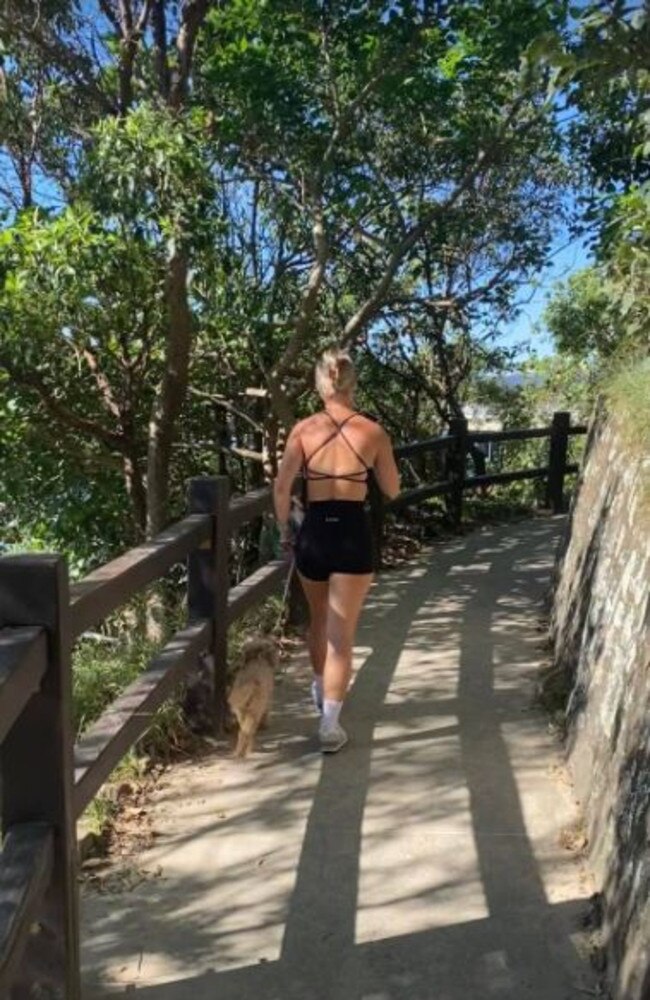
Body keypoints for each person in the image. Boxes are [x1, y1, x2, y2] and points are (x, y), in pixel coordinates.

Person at [273, 347, 400, 753]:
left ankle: (318, 688)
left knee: (318, 621)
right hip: (351, 531)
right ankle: (330, 725)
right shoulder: (373, 431)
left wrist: (284, 529)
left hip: (314, 530)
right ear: (352, 382)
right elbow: (392, 489)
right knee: (341, 637)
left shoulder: (302, 430)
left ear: (320, 383)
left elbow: (281, 487)